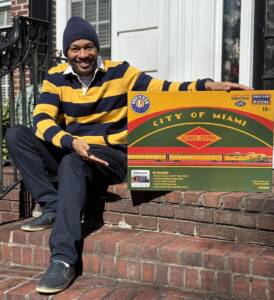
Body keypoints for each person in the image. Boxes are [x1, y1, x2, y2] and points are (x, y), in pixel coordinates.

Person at [5, 16, 252, 294]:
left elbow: (166, 88)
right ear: (67, 51)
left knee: (72, 162)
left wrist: (208, 85)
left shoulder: (121, 72)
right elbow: (42, 120)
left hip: (110, 155)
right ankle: (51, 206)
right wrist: (70, 141)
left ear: (97, 48)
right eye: (75, 48)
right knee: (17, 135)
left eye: (89, 47)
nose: (83, 54)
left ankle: (63, 258)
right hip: (75, 148)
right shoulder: (56, 77)